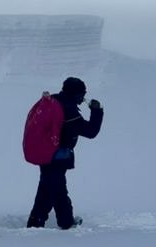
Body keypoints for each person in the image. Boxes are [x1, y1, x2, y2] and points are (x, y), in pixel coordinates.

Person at [26, 76, 103, 230]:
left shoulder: (53, 101)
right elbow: (91, 131)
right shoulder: (69, 111)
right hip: (57, 156)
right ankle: (66, 222)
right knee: (59, 190)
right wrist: (97, 111)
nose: (83, 98)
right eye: (82, 94)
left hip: (45, 154)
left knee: (47, 188)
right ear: (77, 94)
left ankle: (35, 221)